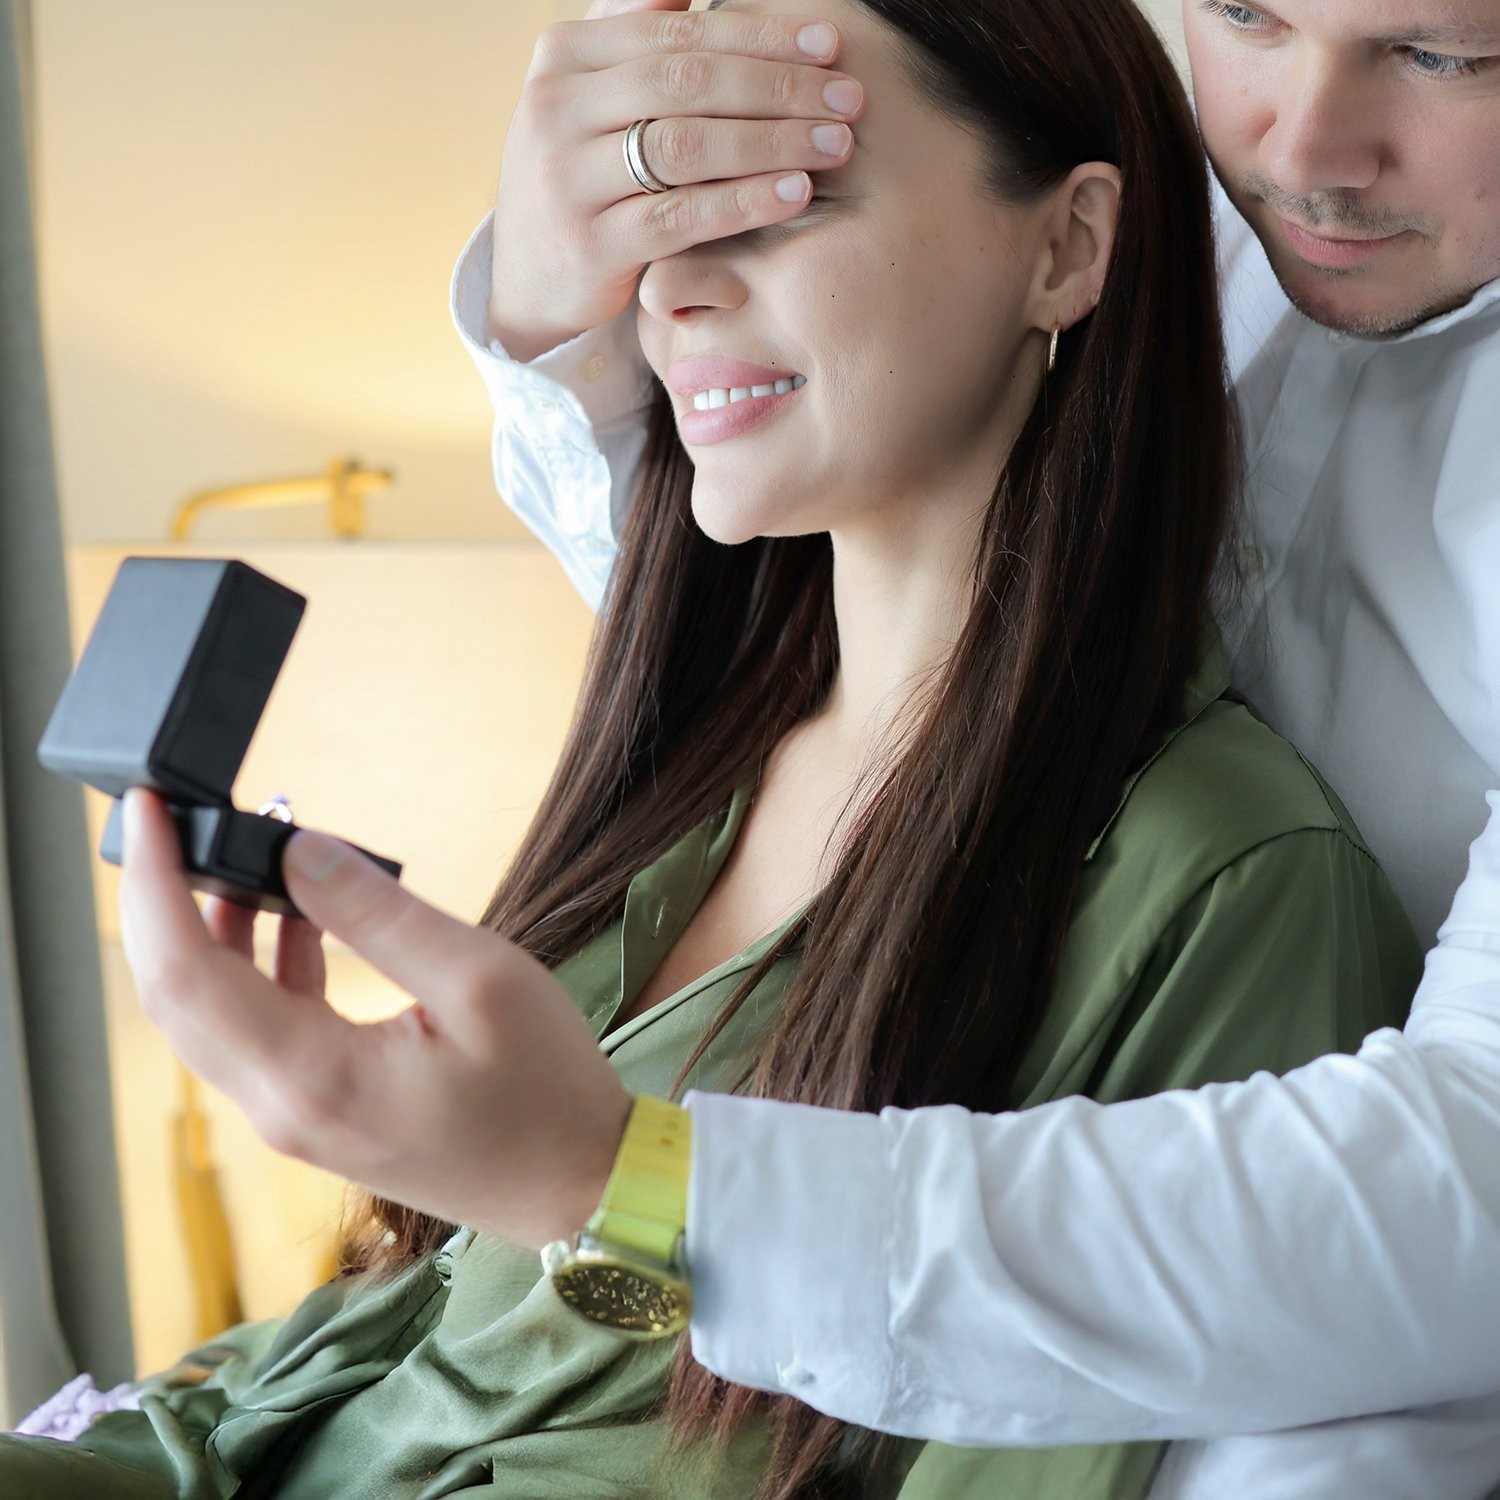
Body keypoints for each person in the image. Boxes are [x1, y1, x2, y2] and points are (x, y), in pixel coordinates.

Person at [0, 1, 1420, 1497]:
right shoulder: (711, 728)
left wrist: (592, 1183)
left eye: (788, 197)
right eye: (665, 205)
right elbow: (411, 1355)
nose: (675, 289)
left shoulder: (1231, 886)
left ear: (1065, 247)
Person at [450, 0, 1500, 1493]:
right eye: (1247, 15)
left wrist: (637, 1188)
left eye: (1446, 53)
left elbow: (1460, 1204)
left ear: (1071, 252)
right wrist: (567, 310)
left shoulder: (1245, 883)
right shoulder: (1108, 176)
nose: (1300, 144)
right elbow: (762, 561)